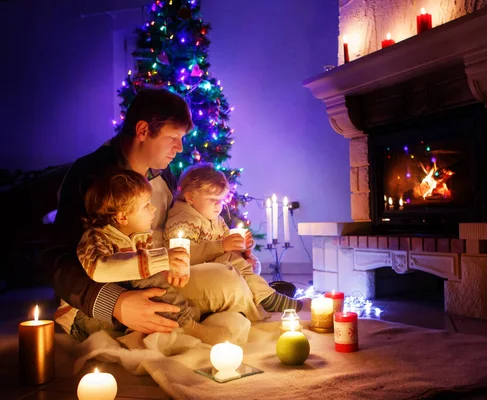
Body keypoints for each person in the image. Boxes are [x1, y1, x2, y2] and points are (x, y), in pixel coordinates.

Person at [48, 88, 262, 338]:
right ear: (143, 131)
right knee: (223, 291)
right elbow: (58, 258)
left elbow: (191, 220)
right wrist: (117, 303)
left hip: (159, 275)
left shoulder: (164, 174)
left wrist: (229, 248)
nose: (180, 148)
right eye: (173, 137)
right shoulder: (92, 176)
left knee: (229, 279)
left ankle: (195, 317)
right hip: (104, 288)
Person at [54, 169, 249, 345]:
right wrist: (159, 260)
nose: (154, 209)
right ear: (122, 217)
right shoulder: (97, 237)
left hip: (125, 302)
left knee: (154, 284)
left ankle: (176, 321)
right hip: (84, 316)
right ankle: (187, 326)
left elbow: (145, 271)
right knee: (147, 282)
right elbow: (100, 270)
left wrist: (167, 271)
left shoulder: (140, 237)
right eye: (146, 205)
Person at [164, 163, 309, 317]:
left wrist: (244, 250)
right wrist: (222, 246)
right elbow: (183, 256)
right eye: (213, 199)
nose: (218, 205)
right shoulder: (183, 220)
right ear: (190, 197)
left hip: (217, 270)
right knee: (232, 260)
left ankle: (265, 296)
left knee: (239, 261)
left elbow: (228, 247)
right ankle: (269, 298)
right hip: (191, 276)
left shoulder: (217, 220)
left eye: (221, 200)